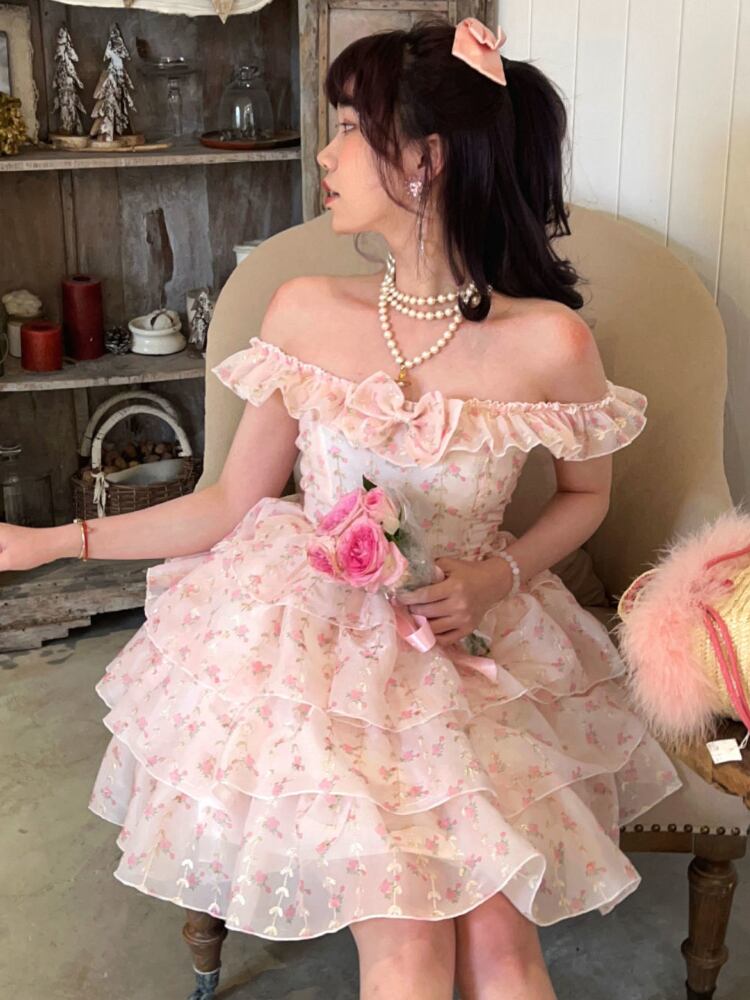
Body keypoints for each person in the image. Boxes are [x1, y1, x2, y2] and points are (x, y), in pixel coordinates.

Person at [0, 15, 683, 1000]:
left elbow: (585, 496)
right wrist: (50, 542)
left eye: (351, 128)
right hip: (316, 652)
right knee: (407, 952)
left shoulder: (552, 343)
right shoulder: (305, 310)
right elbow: (228, 502)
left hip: (472, 649)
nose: (325, 154)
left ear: (426, 159)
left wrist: (497, 576)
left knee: (504, 952)